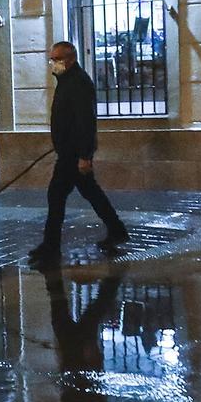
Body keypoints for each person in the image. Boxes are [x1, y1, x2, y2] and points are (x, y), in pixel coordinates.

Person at [31, 40, 127, 262]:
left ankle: (51, 246)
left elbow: (86, 121)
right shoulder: (66, 81)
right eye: (52, 59)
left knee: (56, 196)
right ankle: (117, 230)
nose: (53, 63)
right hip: (68, 151)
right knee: (90, 192)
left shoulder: (78, 83)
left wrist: (85, 155)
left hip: (73, 153)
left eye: (57, 59)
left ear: (70, 59)